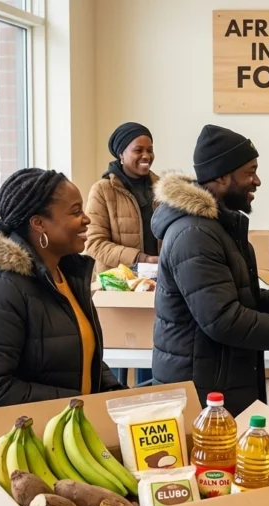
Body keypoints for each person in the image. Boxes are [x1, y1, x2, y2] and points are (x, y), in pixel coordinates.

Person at [0, 168, 124, 506]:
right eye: (75, 211)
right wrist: (79, 403)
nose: (86, 220)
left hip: (46, 438)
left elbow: (80, 352)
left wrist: (114, 394)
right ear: (39, 224)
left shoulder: (64, 273)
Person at [149, 124, 269, 414]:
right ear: (222, 176)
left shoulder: (218, 228)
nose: (257, 181)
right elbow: (224, 319)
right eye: (250, 172)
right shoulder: (194, 235)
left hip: (221, 381)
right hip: (202, 395)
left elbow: (245, 299)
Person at [86, 121, 159, 385]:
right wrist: (141, 258)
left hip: (156, 285)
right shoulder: (102, 191)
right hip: (118, 289)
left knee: (153, 358)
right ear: (121, 153)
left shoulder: (161, 187)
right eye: (138, 150)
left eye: (150, 149)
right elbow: (93, 243)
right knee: (118, 363)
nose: (146, 155)